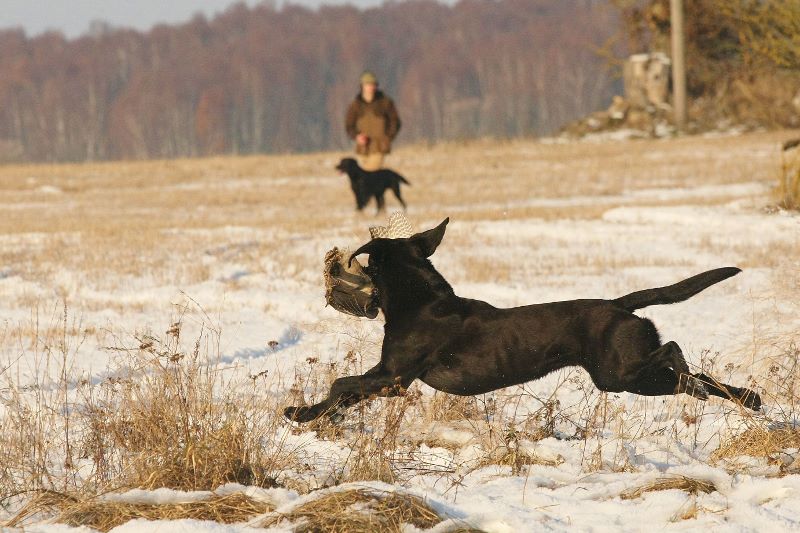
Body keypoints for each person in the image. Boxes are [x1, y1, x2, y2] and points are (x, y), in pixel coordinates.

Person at [345, 71, 401, 171]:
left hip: (379, 146)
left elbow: (395, 122)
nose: (371, 87)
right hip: (362, 148)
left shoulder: (385, 102)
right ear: (362, 86)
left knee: (371, 172)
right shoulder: (355, 105)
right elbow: (349, 125)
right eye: (368, 84)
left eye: (373, 84)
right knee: (364, 177)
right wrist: (357, 136)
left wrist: (388, 137)